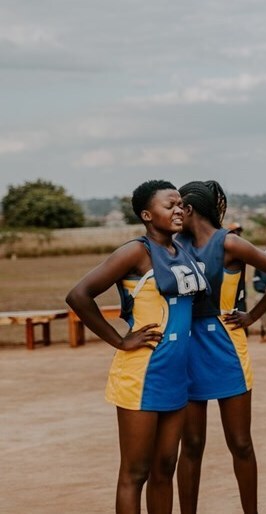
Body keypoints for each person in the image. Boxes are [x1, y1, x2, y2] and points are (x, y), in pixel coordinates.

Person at [66, 180, 207, 514]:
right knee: (135, 472)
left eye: (180, 204)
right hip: (143, 373)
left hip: (177, 374)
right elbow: (78, 295)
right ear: (146, 214)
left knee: (163, 470)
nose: (178, 210)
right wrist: (119, 339)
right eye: (169, 205)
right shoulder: (136, 251)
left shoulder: (181, 250)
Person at [175, 181, 266, 514]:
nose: (173, 213)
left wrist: (253, 315)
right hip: (186, 351)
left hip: (226, 349)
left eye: (176, 207)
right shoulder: (173, 246)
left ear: (189, 208)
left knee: (240, 444)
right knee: (192, 446)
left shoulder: (229, 243)